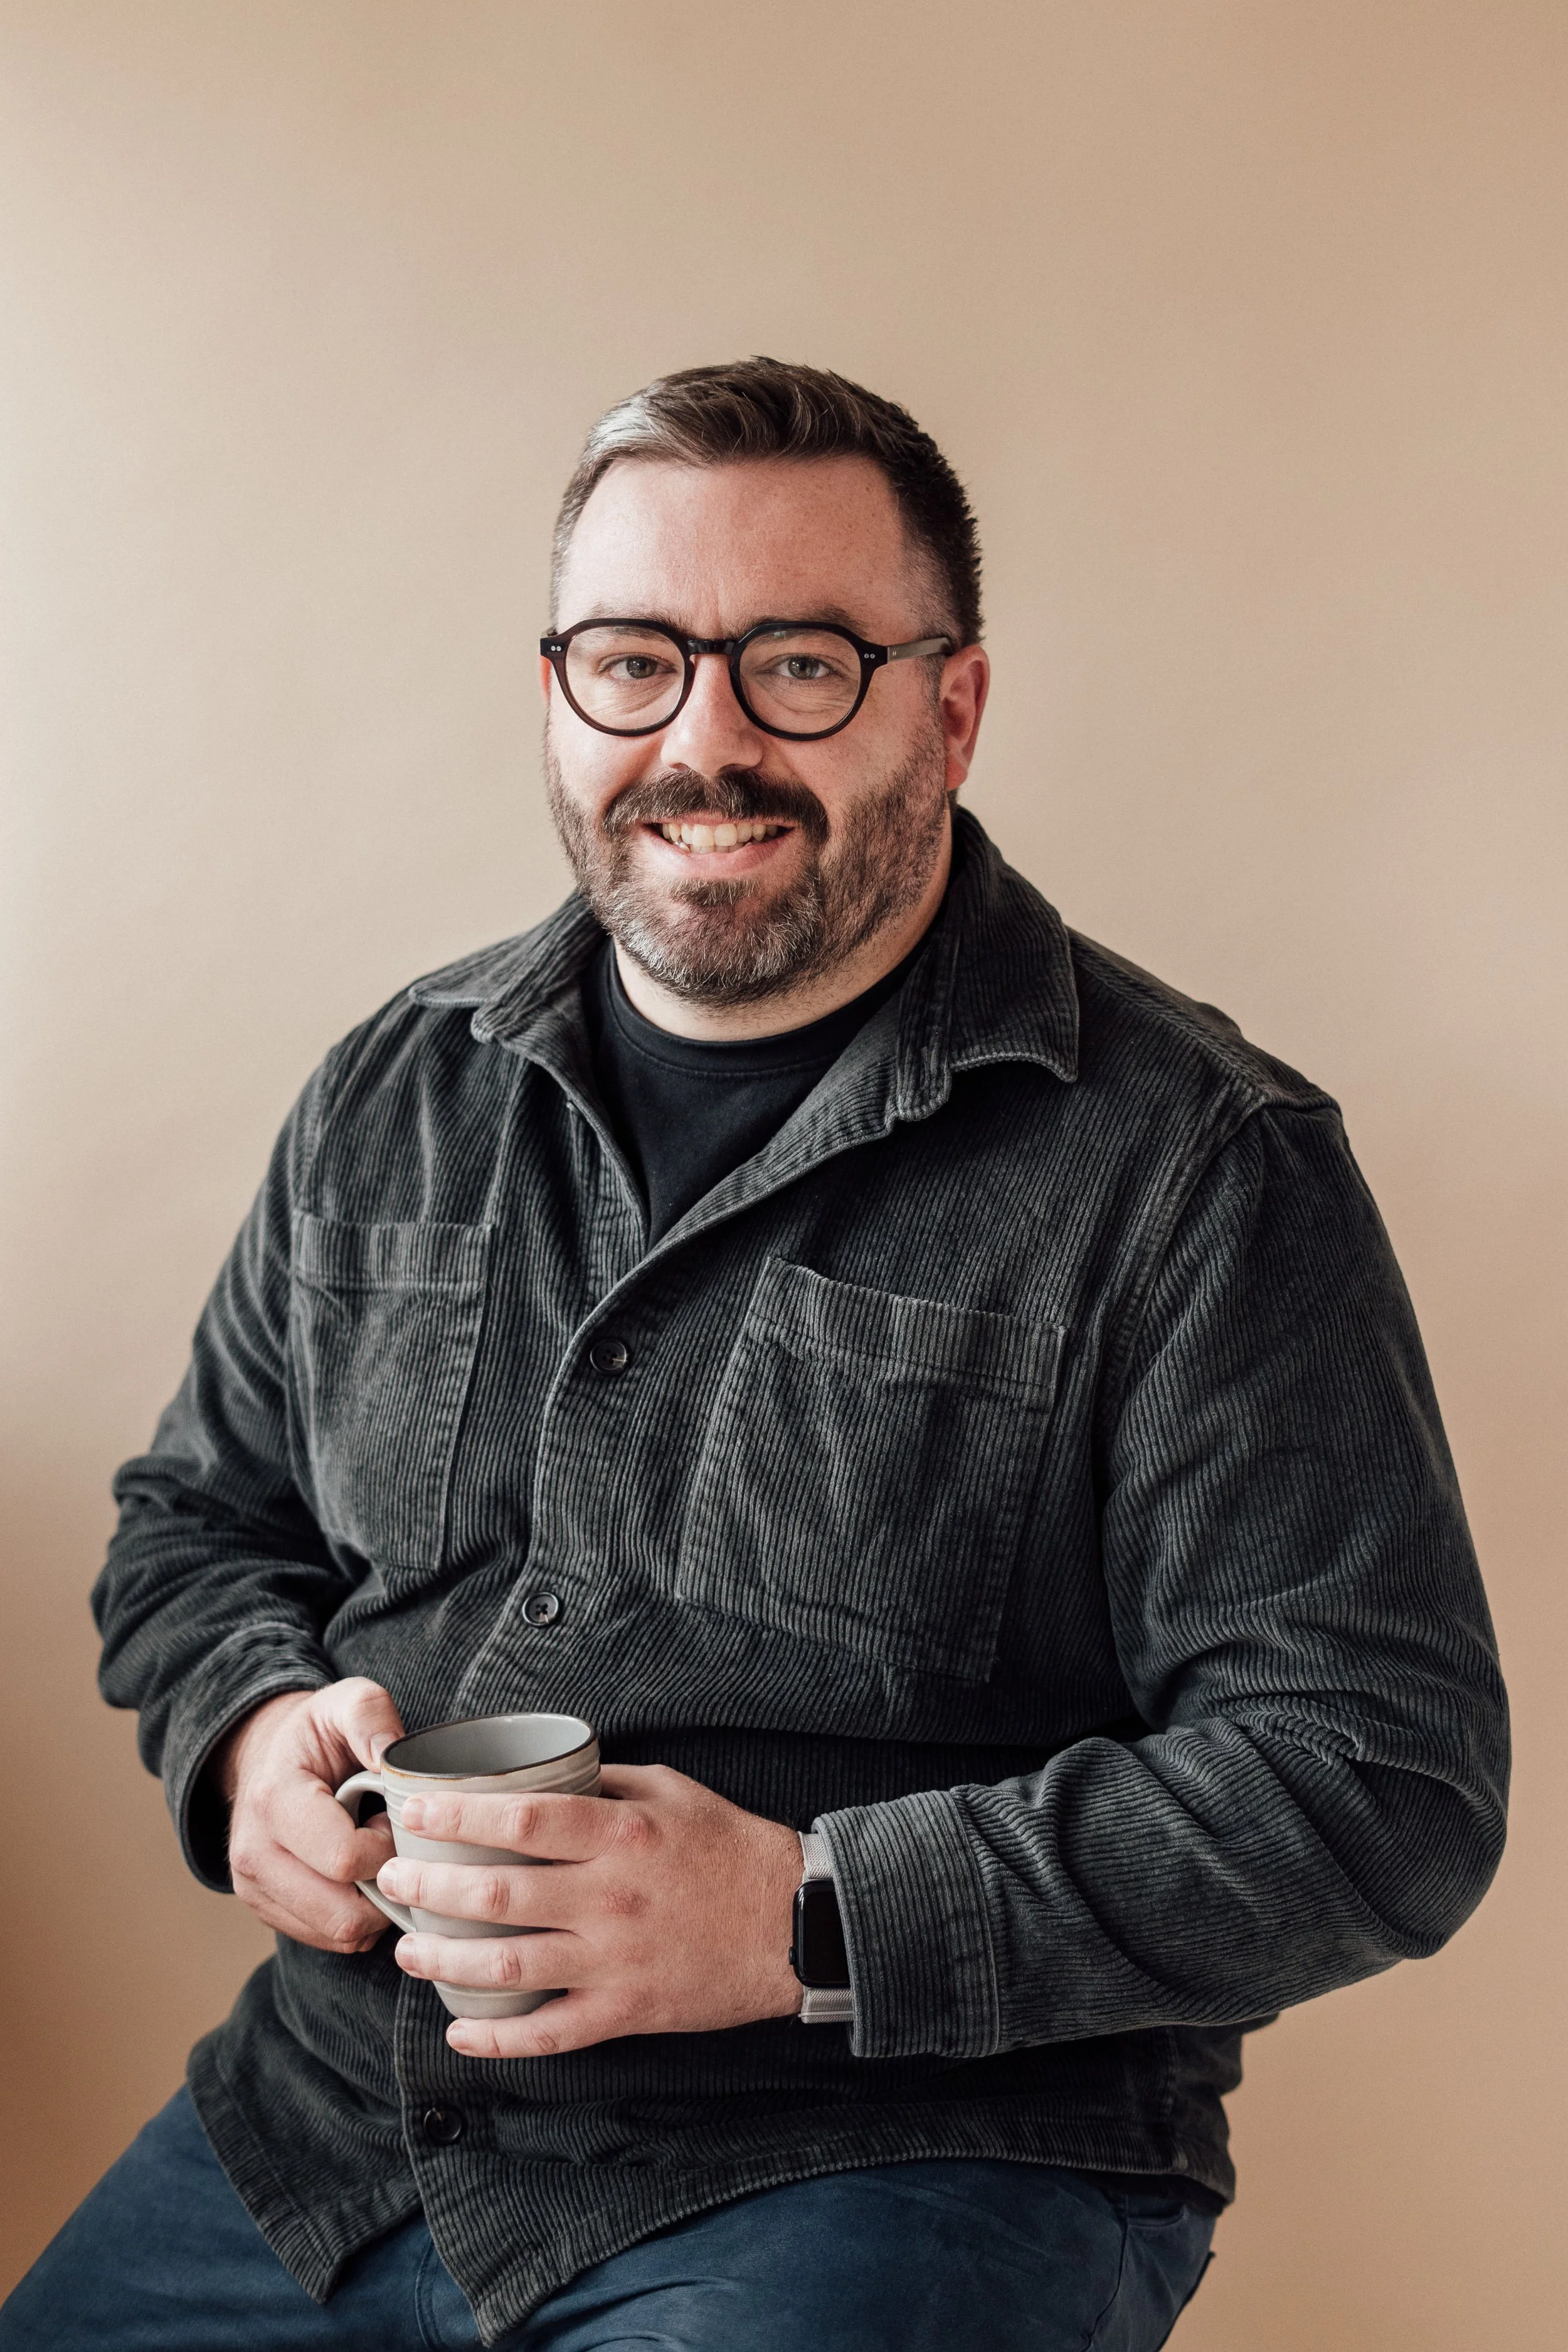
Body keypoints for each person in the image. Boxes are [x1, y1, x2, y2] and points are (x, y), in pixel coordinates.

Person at [2, 359, 1508, 2351]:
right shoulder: (395, 1087)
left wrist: (802, 1913)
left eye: (798, 662)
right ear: (556, 692)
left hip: (889, 2165)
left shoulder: (1196, 1164)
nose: (702, 741)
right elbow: (199, 1522)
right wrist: (246, 1735)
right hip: (341, 2125)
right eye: (634, 659)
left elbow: (1375, 1776)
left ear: (947, 705)